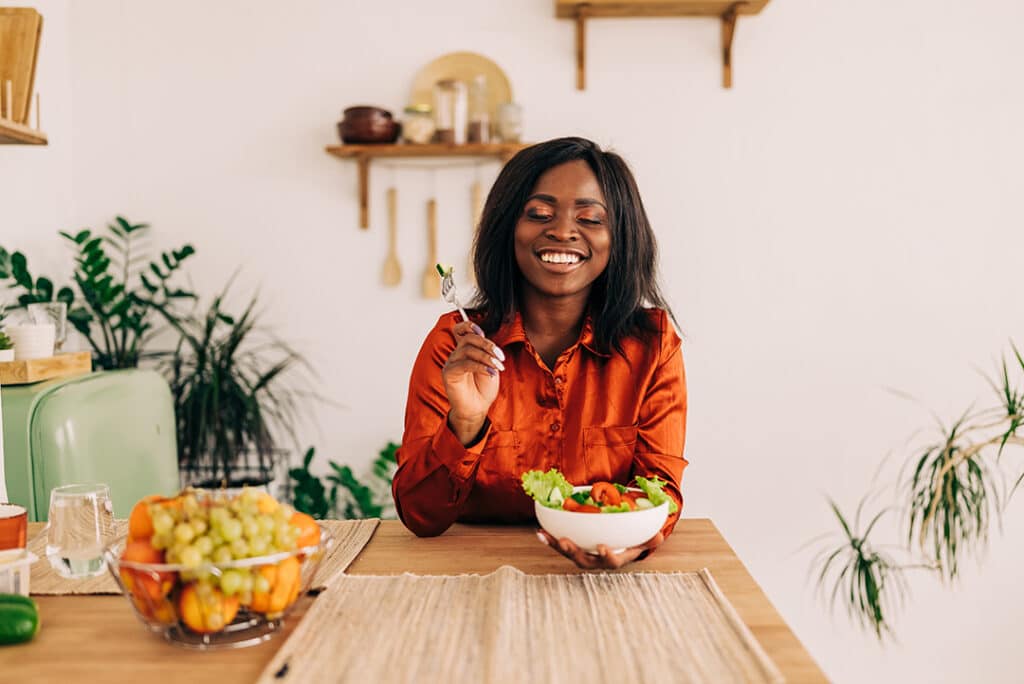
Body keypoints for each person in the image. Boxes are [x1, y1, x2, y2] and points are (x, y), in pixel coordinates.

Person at [392, 137, 687, 569]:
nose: (563, 231)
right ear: (507, 227)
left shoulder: (653, 346)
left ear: (620, 236)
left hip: (607, 582)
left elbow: (661, 493)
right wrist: (466, 422)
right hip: (472, 571)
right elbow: (419, 515)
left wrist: (633, 542)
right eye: (539, 214)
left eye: (589, 218)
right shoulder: (455, 344)